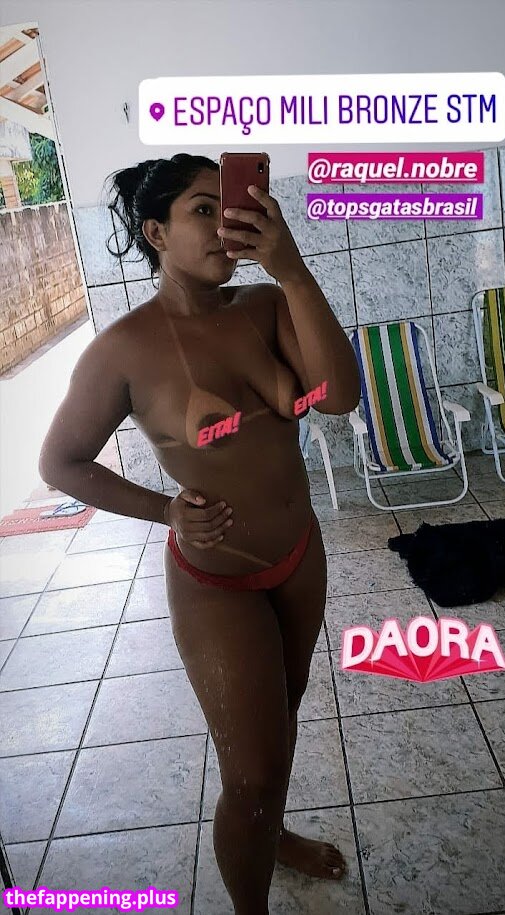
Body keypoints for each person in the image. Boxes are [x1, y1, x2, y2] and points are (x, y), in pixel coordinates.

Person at [38, 153, 361, 915]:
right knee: (249, 774)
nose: (225, 224)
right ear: (156, 233)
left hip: (298, 553)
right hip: (215, 576)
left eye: (233, 205)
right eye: (202, 210)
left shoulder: (265, 305)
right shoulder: (123, 349)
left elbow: (337, 396)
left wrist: (291, 269)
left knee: (280, 717)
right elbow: (60, 463)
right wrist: (164, 510)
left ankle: (272, 834)